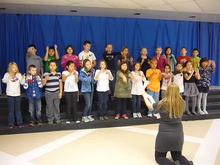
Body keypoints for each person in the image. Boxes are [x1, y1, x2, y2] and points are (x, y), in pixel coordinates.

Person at [152, 83, 193, 165]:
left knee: (159, 157)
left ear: (167, 91)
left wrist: (144, 95)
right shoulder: (183, 103)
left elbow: (151, 106)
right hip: (178, 134)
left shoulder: (161, 104)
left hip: (164, 135)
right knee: (177, 156)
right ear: (178, 92)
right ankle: (187, 164)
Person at [2, 62, 25, 128]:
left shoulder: (19, 75)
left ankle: (19, 123)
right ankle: (11, 123)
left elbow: (22, 83)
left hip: (17, 94)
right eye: (13, 67)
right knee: (11, 110)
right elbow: (4, 81)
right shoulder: (7, 74)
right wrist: (9, 76)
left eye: (15, 67)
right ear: (10, 68)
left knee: (18, 110)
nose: (15, 69)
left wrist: (23, 78)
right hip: (10, 95)